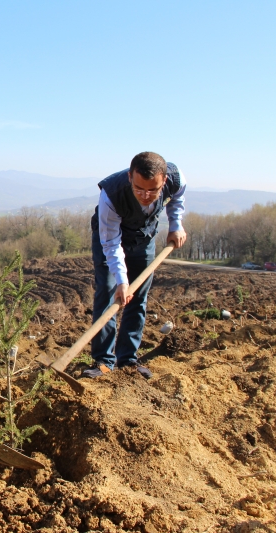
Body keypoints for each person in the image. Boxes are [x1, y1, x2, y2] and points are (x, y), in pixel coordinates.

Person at [82, 152, 186, 381]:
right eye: (139, 189)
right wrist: (121, 280)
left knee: (138, 297)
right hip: (108, 241)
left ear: (164, 181)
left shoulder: (176, 179)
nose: (146, 196)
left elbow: (177, 199)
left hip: (144, 238)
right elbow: (110, 242)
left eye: (153, 190)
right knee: (109, 295)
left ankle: (128, 359)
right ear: (130, 177)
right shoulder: (112, 194)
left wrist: (176, 224)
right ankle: (103, 361)